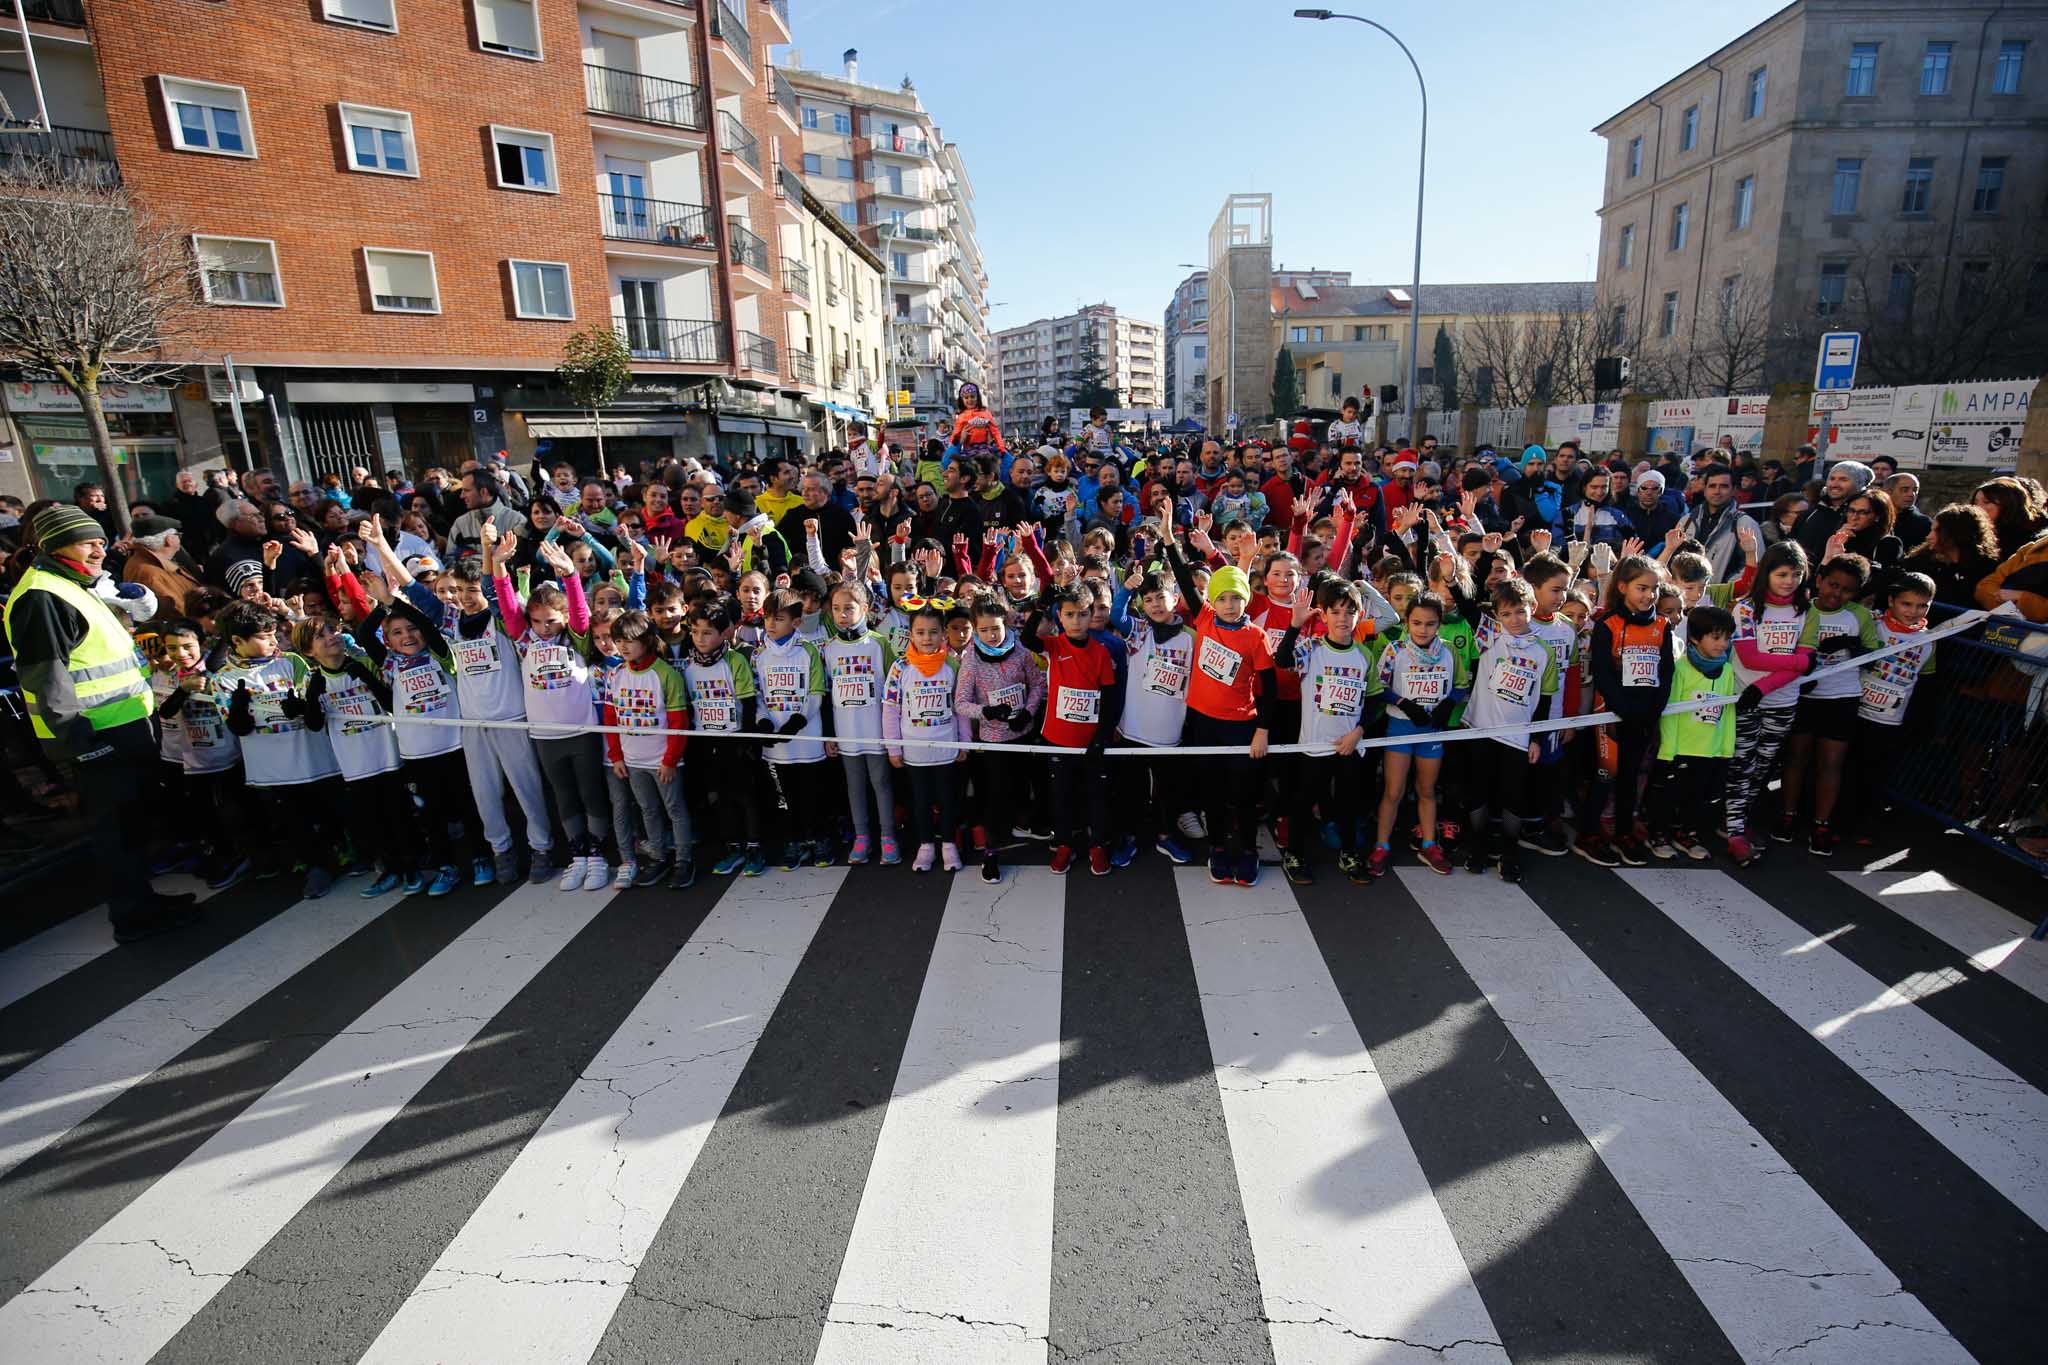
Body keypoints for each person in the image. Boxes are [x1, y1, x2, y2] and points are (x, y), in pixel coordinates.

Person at [4, 505, 196, 940]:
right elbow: (46, 677)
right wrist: (80, 741)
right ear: (54, 545)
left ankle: (143, 903)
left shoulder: (71, 584)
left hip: (122, 727)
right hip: (97, 736)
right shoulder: (42, 595)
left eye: (99, 540)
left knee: (131, 825)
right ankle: (134, 920)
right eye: (87, 541)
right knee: (115, 833)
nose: (99, 548)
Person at [1884, 473, 1932, 552]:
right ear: (1888, 492)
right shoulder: (1873, 517)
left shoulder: (1924, 524)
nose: (1911, 494)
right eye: (1905, 490)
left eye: (1915, 490)